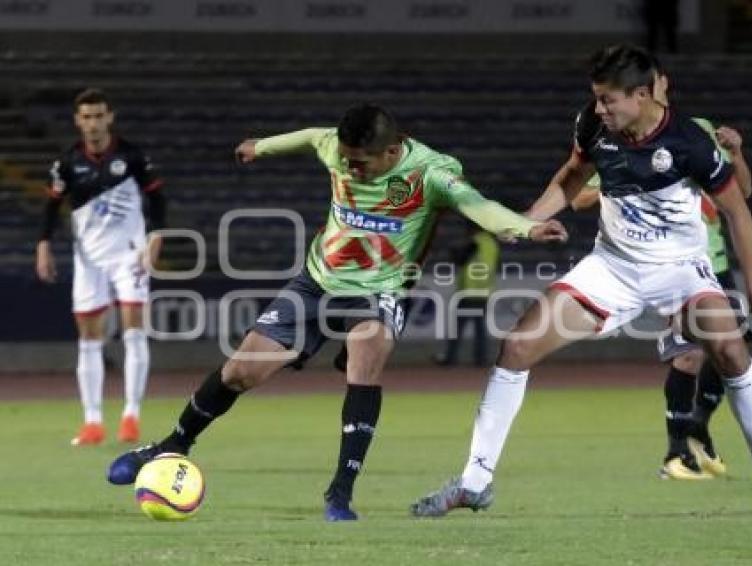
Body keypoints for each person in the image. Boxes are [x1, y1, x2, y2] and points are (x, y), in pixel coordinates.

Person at [411, 45, 752, 517]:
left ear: (643, 95)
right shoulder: (594, 126)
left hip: (681, 270)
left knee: (730, 351)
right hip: (612, 268)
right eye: (597, 99)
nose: (599, 109)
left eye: (608, 100)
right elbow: (570, 178)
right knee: (519, 344)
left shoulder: (689, 141)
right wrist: (525, 223)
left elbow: (737, 211)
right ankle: (474, 483)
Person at [106, 103, 566, 522]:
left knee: (365, 356)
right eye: (345, 159)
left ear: (391, 151)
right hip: (316, 281)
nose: (349, 167)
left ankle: (340, 494)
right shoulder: (336, 147)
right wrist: (259, 147)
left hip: (380, 290)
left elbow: (478, 206)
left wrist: (527, 229)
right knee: (242, 370)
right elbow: (311, 135)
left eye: (359, 162)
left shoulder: (431, 173)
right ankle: (171, 445)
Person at [571, 67, 752, 480]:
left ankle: (698, 429)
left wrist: (738, 154)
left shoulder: (698, 132)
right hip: (666, 265)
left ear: (662, 84)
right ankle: (677, 452)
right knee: (689, 354)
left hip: (714, 264)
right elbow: (579, 197)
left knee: (732, 348)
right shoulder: (621, 141)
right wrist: (626, 187)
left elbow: (741, 194)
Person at [36, 88, 165, 446]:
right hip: (89, 258)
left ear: (110, 117)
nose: (92, 123)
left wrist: (155, 236)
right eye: (86, 117)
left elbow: (157, 198)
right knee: (89, 339)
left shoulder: (132, 156)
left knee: (133, 330)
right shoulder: (66, 163)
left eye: (98, 115)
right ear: (78, 121)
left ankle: (131, 415)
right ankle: (92, 421)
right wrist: (43, 244)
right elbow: (51, 205)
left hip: (130, 254)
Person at [435, 219, 500, 367]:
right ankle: (481, 359)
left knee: (457, 328)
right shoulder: (492, 244)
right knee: (479, 328)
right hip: (484, 292)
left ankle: (450, 358)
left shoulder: (474, 243)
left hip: (468, 292)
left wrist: (451, 250)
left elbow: (460, 259)